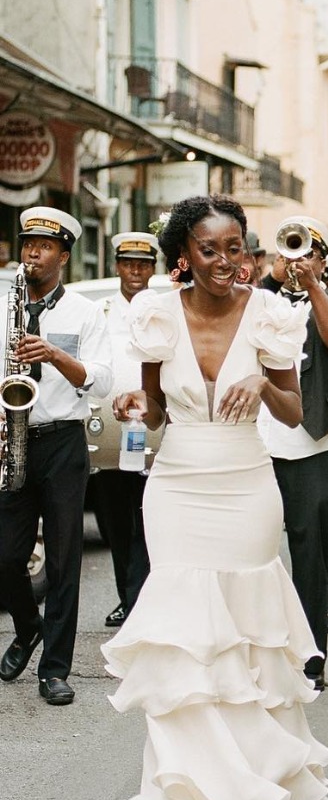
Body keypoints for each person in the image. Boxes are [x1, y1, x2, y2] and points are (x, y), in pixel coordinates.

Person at [104, 194, 328, 800]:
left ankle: (259, 791)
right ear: (185, 254)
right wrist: (131, 408)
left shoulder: (270, 313)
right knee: (183, 652)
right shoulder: (153, 314)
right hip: (176, 487)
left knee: (246, 638)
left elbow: (298, 411)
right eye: (211, 249)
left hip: (245, 487)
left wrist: (263, 382)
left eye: (236, 248)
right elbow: (154, 415)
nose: (228, 262)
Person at [0, 208, 113, 707]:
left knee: (65, 561)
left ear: (64, 257)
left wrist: (54, 355)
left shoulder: (85, 314)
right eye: (27, 245)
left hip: (64, 441)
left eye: (43, 247)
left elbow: (102, 380)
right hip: (15, 435)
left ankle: (55, 670)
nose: (32, 254)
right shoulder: (6, 308)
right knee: (6, 555)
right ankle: (28, 629)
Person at [258, 217, 328, 689]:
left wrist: (315, 288)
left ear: (322, 261)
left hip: (316, 445)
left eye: (305, 254)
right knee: (253, 556)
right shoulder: (259, 298)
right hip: (258, 445)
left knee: (311, 559)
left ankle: (310, 660)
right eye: (288, 253)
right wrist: (274, 278)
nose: (296, 262)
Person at [93, 231, 158, 628]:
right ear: (117, 266)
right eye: (128, 263)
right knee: (117, 522)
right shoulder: (99, 312)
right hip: (111, 434)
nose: (135, 271)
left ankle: (142, 600)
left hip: (155, 429)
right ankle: (126, 597)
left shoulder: (165, 309)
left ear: (154, 268)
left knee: (149, 520)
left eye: (144, 264)